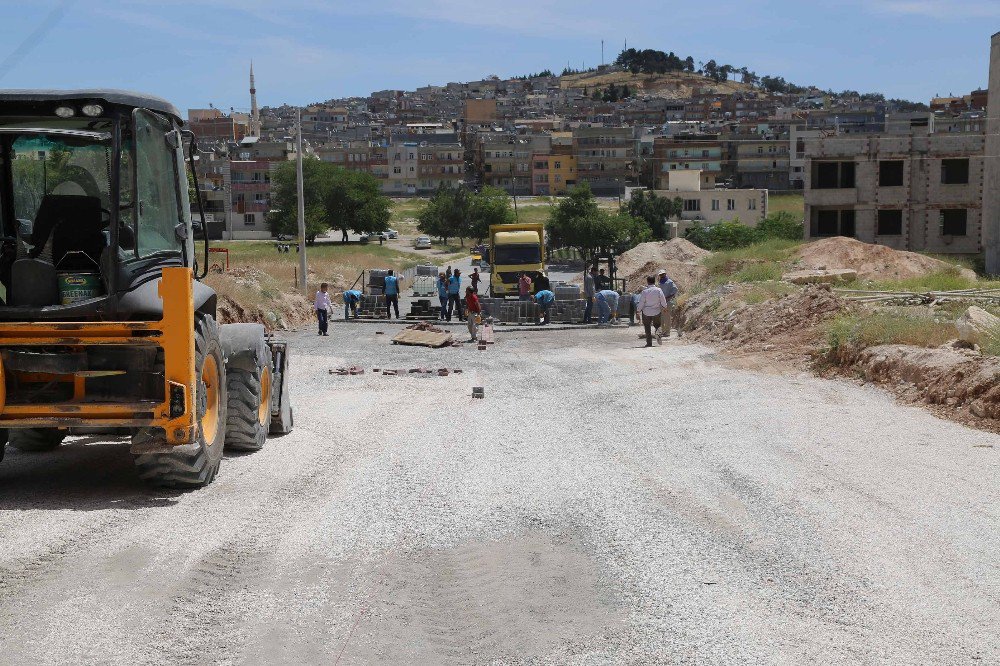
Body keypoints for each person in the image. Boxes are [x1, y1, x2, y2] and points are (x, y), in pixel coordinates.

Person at [635, 276, 669, 347]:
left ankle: (649, 343)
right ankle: (658, 333)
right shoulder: (658, 290)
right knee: (657, 325)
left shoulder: (644, 292)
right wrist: (665, 307)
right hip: (656, 311)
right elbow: (663, 300)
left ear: (647, 281)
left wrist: (638, 311)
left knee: (647, 327)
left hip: (646, 312)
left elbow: (641, 302)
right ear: (654, 281)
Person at [657, 270, 679, 338]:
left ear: (665, 274)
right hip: (661, 302)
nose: (662, 275)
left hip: (667, 302)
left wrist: (668, 297)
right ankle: (663, 331)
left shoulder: (669, 282)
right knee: (661, 318)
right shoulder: (660, 282)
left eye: (663, 274)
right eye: (661, 274)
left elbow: (675, 290)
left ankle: (667, 332)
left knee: (666, 317)